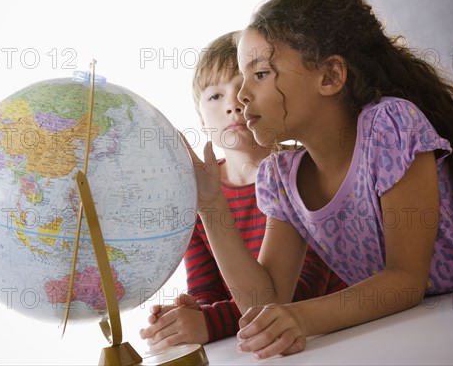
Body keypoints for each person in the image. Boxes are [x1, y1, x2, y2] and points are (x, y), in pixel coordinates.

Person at [183, 0, 453, 359]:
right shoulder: (281, 179)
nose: (241, 97)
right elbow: (265, 299)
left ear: (330, 76)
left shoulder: (390, 128)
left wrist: (301, 318)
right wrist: (210, 207)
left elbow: (405, 281)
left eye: (261, 74)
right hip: (403, 339)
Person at [139, 31, 346, 351]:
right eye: (215, 96)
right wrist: (189, 313)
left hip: (335, 340)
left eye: (243, 89)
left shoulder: (304, 171)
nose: (233, 105)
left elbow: (300, 294)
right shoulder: (198, 191)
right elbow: (207, 289)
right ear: (200, 116)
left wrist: (209, 323)